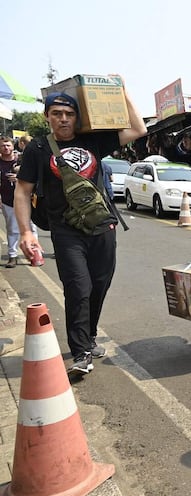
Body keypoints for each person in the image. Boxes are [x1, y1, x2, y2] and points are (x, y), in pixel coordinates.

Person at [15, 89, 147, 375]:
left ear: (77, 117)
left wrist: (123, 92)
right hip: (66, 231)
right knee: (78, 288)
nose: (63, 119)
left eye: (69, 114)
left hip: (102, 227)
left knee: (99, 285)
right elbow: (23, 192)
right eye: (57, 114)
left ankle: (89, 337)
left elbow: (139, 128)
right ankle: (81, 353)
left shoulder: (93, 141)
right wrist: (26, 231)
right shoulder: (37, 149)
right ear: (47, 116)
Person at [1, 136, 38, 268]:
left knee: (32, 228)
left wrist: (18, 178)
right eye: (3, 146)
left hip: (28, 200)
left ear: (13, 146)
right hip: (8, 201)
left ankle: (35, 255)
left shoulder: (24, 159)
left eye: (8, 145)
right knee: (12, 229)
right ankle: (12, 256)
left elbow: (34, 178)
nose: (6, 148)